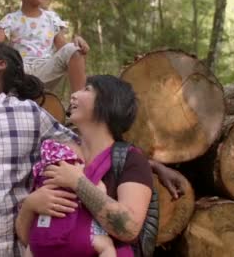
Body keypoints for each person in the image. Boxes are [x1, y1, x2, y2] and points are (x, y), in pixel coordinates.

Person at [0, 42, 185, 256]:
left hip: (19, 251)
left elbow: (92, 145)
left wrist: (154, 165)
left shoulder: (30, 114)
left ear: (0, 64)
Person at [16, 75, 154, 256]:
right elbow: (30, 240)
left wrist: (78, 182)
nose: (73, 95)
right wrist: (29, 205)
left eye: (86, 89)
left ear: (109, 102)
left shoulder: (131, 160)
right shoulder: (55, 154)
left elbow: (128, 229)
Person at [0, 0, 89, 93]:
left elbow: (64, 51)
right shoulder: (10, 20)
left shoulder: (52, 19)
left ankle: (79, 102)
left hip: (45, 70)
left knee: (73, 49)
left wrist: (78, 46)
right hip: (20, 72)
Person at [26, 139, 116, 257]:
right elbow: (101, 192)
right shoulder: (81, 175)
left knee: (30, 247)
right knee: (107, 246)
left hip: (39, 240)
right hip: (74, 238)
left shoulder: (43, 178)